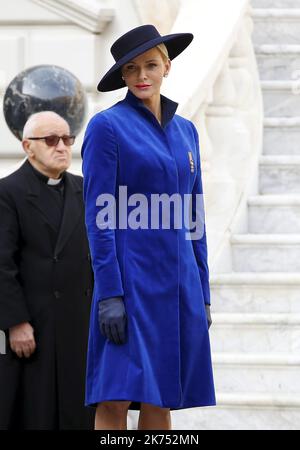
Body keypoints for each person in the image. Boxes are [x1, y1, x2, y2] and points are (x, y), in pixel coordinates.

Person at [82, 24, 216, 431]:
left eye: (151, 65)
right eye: (132, 69)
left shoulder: (187, 131)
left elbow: (195, 217)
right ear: (122, 76)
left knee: (163, 397)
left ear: (167, 67)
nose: (142, 75)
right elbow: (99, 217)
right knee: (115, 396)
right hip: (130, 285)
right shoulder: (107, 128)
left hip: (178, 286)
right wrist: (110, 293)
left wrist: (203, 290)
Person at [0, 111, 94, 430]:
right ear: (28, 147)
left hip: (79, 325)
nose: (62, 147)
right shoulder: (7, 192)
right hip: (34, 329)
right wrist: (16, 322)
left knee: (77, 414)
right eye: (51, 140)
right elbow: (2, 263)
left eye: (67, 139)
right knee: (36, 414)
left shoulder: (85, 189)